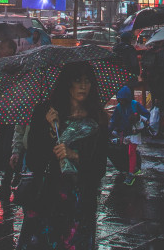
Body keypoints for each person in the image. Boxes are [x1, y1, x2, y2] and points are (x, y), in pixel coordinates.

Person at [17, 62, 108, 250]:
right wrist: (50, 132)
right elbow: (33, 161)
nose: (83, 86)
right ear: (68, 84)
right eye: (77, 81)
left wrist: (75, 155)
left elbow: (99, 169)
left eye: (87, 81)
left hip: (78, 203)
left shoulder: (98, 120)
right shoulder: (46, 113)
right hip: (46, 199)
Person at [0, 38, 19, 202]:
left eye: (3, 47)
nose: (0, 50)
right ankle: (10, 179)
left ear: (10, 50)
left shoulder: (14, 67)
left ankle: (6, 183)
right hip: (2, 113)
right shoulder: (0, 65)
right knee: (2, 148)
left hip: (11, 114)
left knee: (7, 148)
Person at [109, 84, 150, 184]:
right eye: (120, 99)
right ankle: (133, 167)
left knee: (131, 152)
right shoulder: (119, 107)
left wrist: (138, 118)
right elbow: (114, 121)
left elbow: (146, 114)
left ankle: (131, 173)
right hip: (125, 133)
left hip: (134, 133)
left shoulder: (134, 104)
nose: (121, 101)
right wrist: (109, 131)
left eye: (123, 99)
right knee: (127, 151)